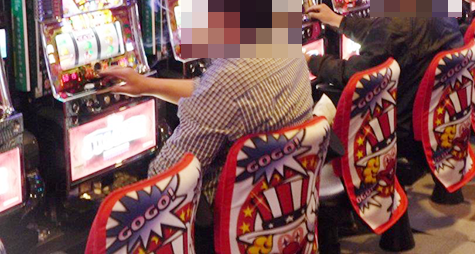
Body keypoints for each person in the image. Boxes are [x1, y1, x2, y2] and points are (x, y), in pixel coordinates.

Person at [100, 58, 314, 205]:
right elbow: (212, 92)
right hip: (284, 201)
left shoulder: (228, 79)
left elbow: (164, 180)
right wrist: (146, 85)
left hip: (224, 220)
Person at [304, 3, 464, 183]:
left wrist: (311, 61)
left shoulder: (394, 25)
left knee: (330, 96)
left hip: (398, 122)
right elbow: (381, 31)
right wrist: (339, 21)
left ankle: (308, 168)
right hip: (440, 114)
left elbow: (353, 75)